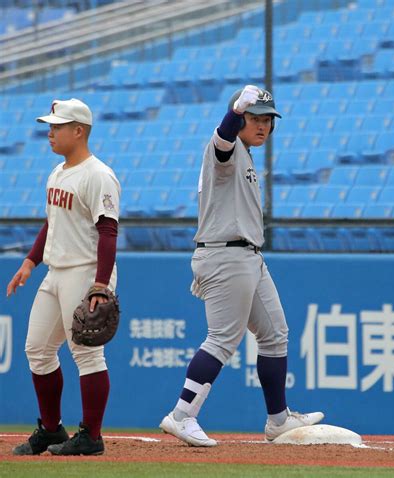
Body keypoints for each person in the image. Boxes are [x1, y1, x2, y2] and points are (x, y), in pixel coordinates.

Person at [159, 85, 324, 447]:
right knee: (221, 340)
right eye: (255, 118)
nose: (262, 125)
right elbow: (221, 141)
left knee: (275, 333)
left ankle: (278, 420)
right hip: (225, 254)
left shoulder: (246, 154)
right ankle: (182, 415)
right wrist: (234, 113)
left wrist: (242, 117)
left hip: (247, 255)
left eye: (267, 119)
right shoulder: (230, 149)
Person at [6, 98, 121, 456]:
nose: (50, 132)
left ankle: (92, 436)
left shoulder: (98, 174)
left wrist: (100, 284)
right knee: (37, 349)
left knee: (87, 354)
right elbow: (52, 222)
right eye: (49, 126)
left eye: (57, 126)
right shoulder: (57, 173)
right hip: (56, 270)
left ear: (79, 131)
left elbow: (108, 232)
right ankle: (52, 430)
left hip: (85, 271)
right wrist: (30, 260)